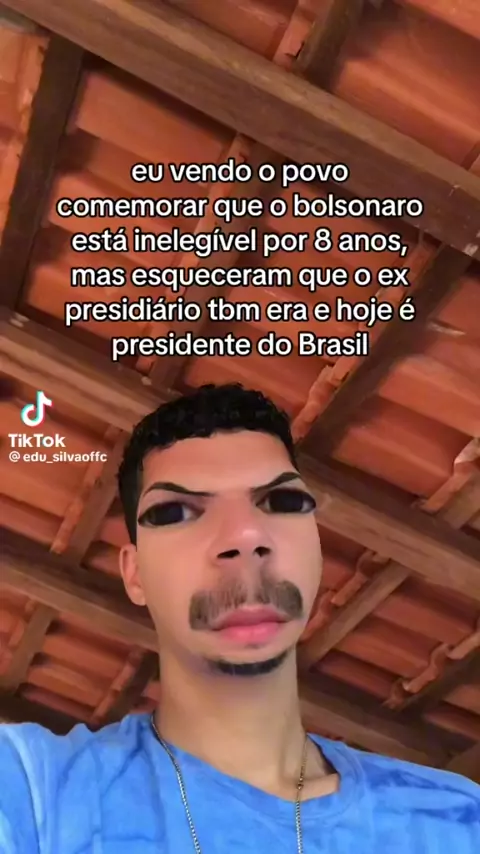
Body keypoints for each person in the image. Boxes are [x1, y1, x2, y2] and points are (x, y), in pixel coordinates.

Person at [0, 383, 478, 853]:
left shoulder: (459, 819)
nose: (245, 535)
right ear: (135, 573)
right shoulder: (33, 789)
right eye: (174, 512)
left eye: (283, 502)